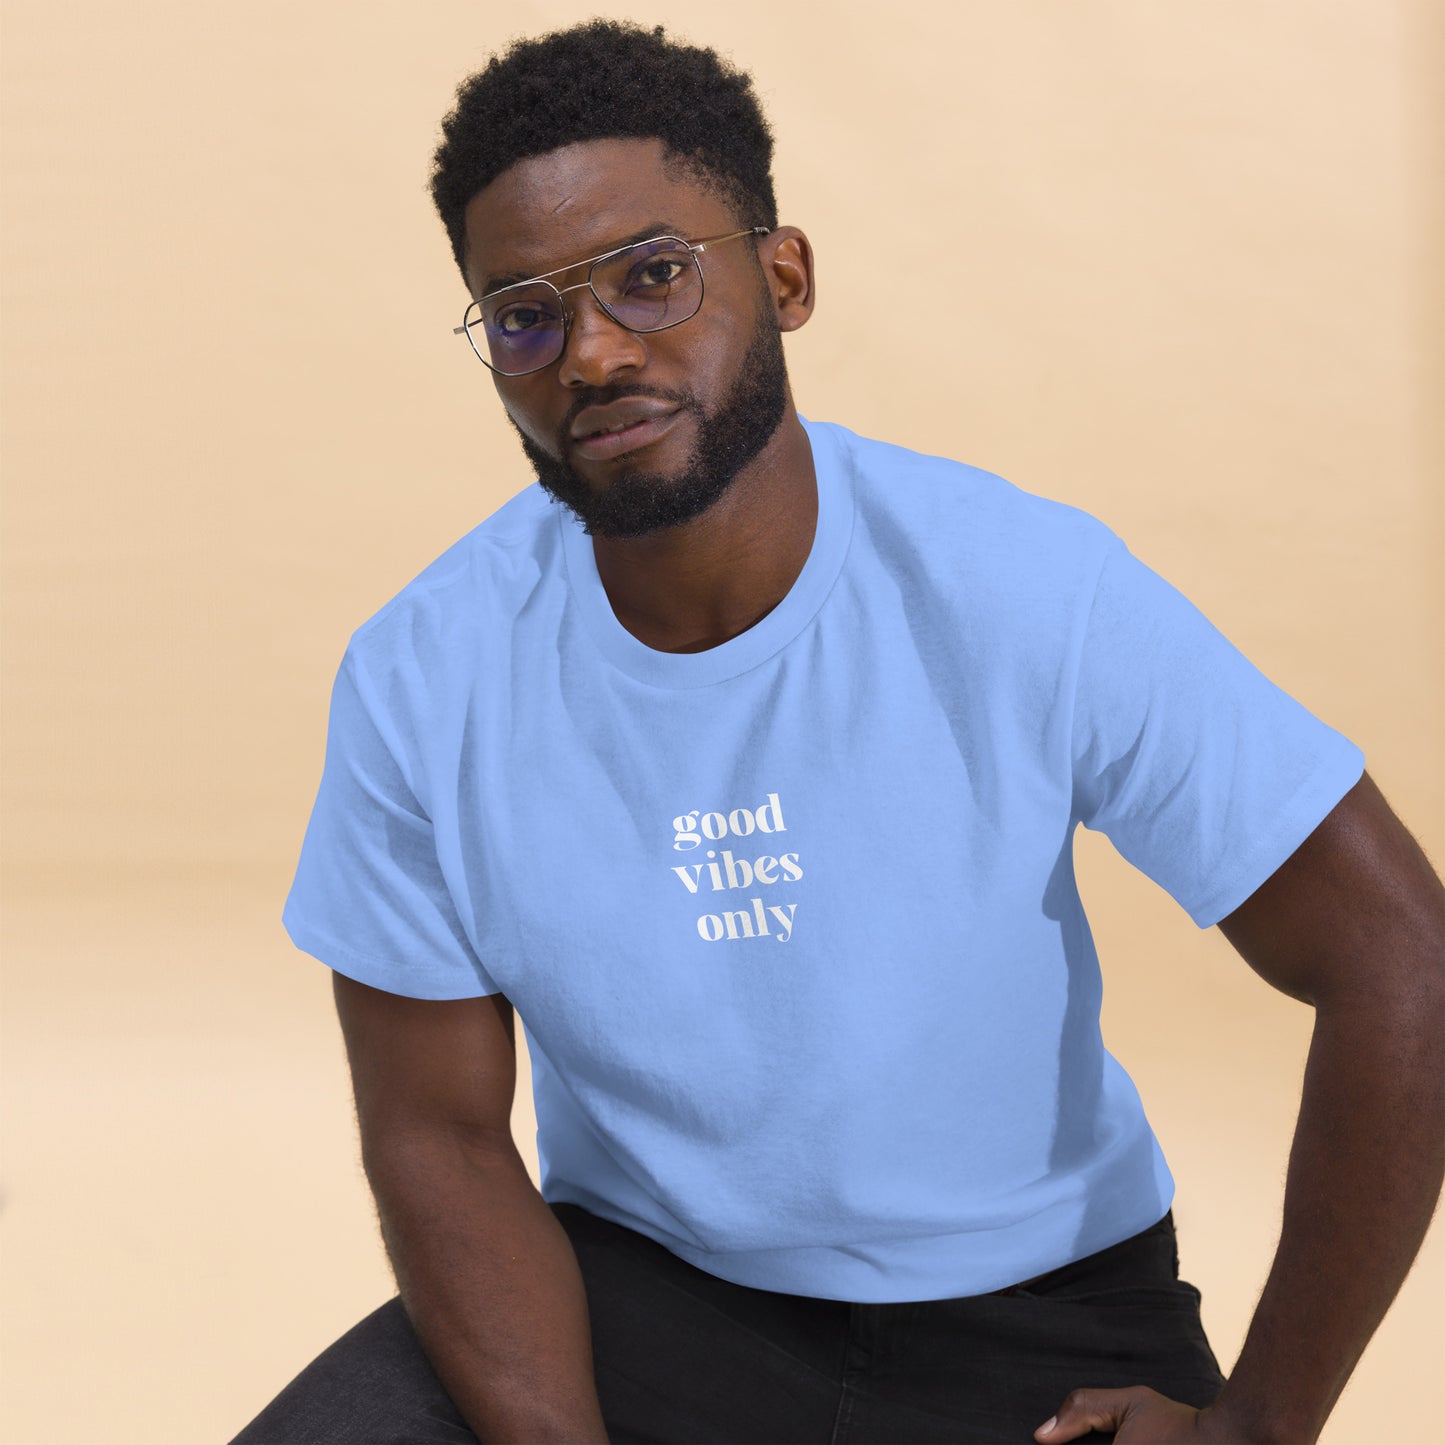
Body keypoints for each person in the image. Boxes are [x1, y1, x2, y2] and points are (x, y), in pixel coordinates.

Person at [231, 19, 1445, 1445]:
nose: (594, 352)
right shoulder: (421, 674)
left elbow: (1399, 958)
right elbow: (434, 1131)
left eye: (653, 275)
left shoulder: (1020, 586)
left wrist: (1259, 1424)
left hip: (1036, 1324)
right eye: (524, 316)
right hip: (643, 1299)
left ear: (783, 276)